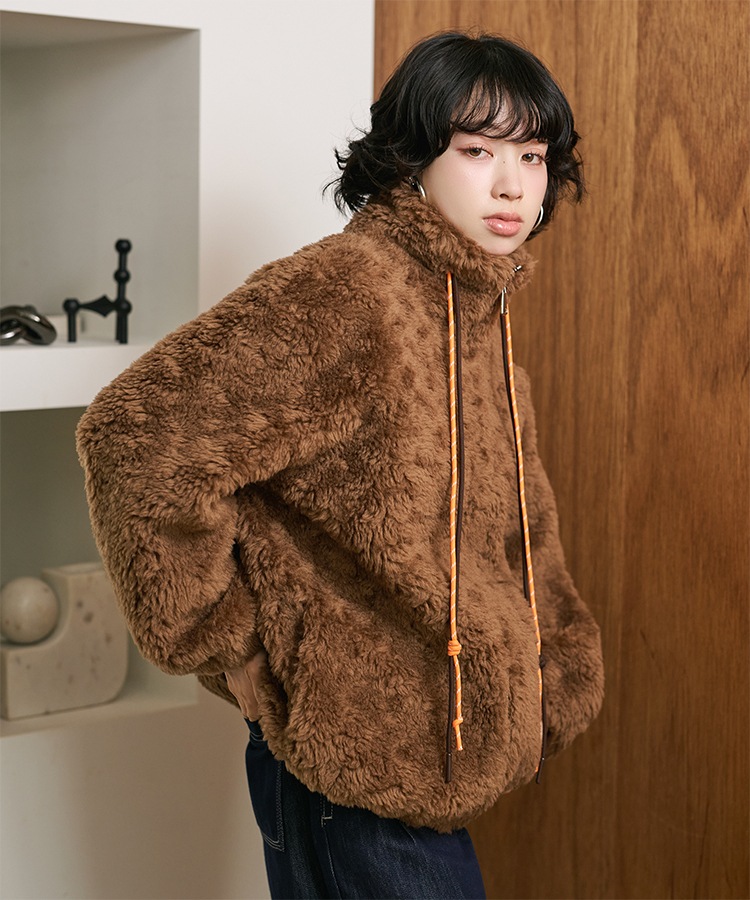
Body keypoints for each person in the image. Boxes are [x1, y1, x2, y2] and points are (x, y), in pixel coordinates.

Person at [77, 31, 604, 900]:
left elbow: (516, 526)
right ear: (411, 158)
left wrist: (557, 670)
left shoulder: (473, 310)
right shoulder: (348, 290)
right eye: (477, 151)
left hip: (431, 762)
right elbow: (136, 438)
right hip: (348, 768)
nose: (513, 184)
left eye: (533, 155)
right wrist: (229, 646)